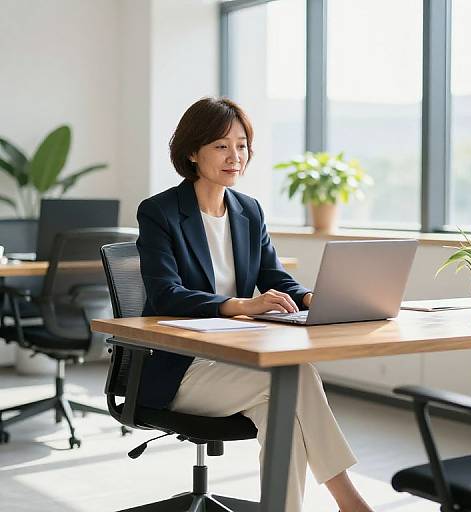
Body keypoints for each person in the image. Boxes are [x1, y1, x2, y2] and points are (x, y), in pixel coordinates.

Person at [136, 97, 374, 512]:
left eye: (242, 145)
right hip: (182, 368)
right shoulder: (160, 212)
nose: (235, 156)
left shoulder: (248, 210)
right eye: (221, 146)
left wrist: (311, 298)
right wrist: (240, 305)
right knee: (293, 378)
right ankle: (350, 502)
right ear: (192, 152)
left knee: (280, 415)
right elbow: (164, 294)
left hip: (237, 361)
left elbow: (273, 275)